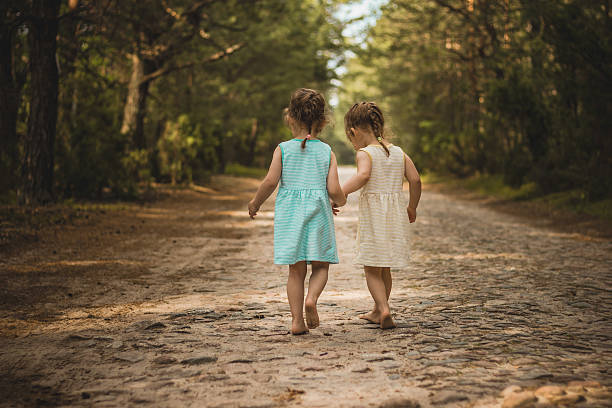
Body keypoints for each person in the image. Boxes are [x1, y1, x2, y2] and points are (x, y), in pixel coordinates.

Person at [248, 88, 346, 335]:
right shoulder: (326, 151)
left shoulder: (282, 149)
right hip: (318, 213)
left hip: (290, 217)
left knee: (295, 270)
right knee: (321, 266)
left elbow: (270, 181)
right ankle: (312, 299)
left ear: (290, 117)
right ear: (322, 122)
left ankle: (297, 321)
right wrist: (340, 201)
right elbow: (334, 189)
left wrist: (256, 203)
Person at [341, 101, 421, 329]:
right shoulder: (399, 152)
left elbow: (364, 176)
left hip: (374, 218)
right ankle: (379, 309)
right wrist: (412, 207)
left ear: (354, 131)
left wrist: (341, 193)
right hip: (395, 216)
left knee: (370, 266)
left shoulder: (365, 153)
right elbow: (415, 179)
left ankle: (383, 309)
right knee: (384, 266)